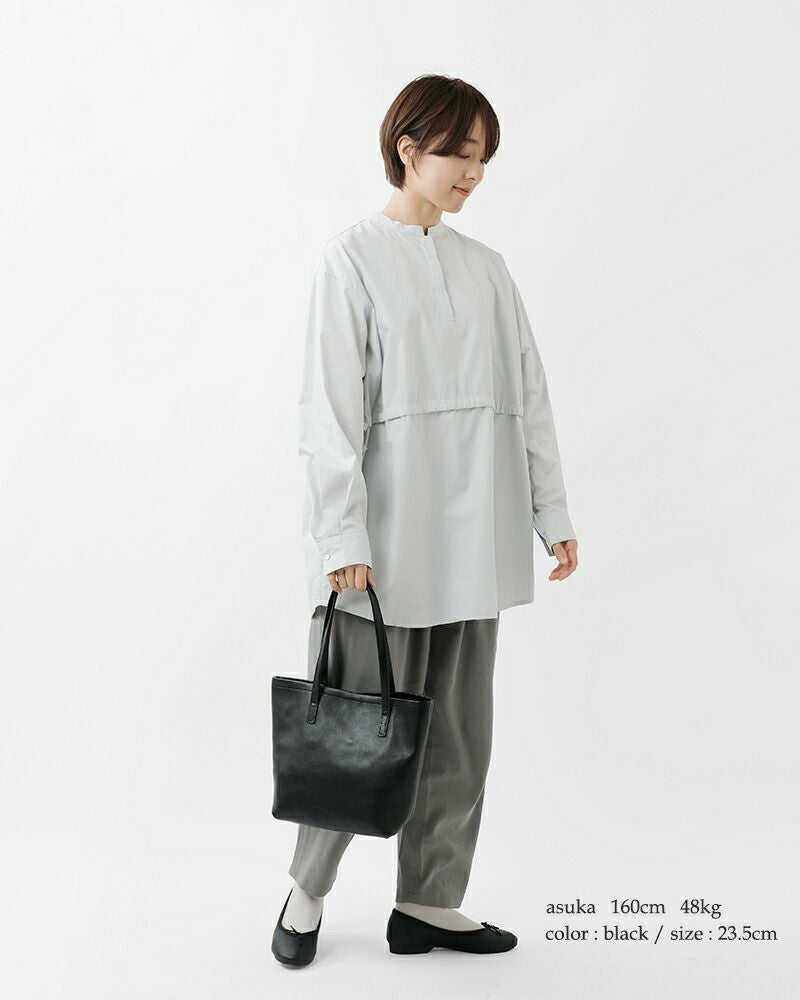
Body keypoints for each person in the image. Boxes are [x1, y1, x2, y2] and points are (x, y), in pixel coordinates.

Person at [272, 73, 579, 966]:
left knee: (459, 735)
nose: (473, 173)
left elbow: (529, 396)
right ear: (409, 149)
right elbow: (328, 413)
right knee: (354, 724)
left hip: (478, 536)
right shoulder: (350, 260)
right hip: (387, 545)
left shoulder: (488, 269)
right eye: (460, 154)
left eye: (484, 158)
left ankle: (428, 902)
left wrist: (550, 510)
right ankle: (306, 892)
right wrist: (342, 537)